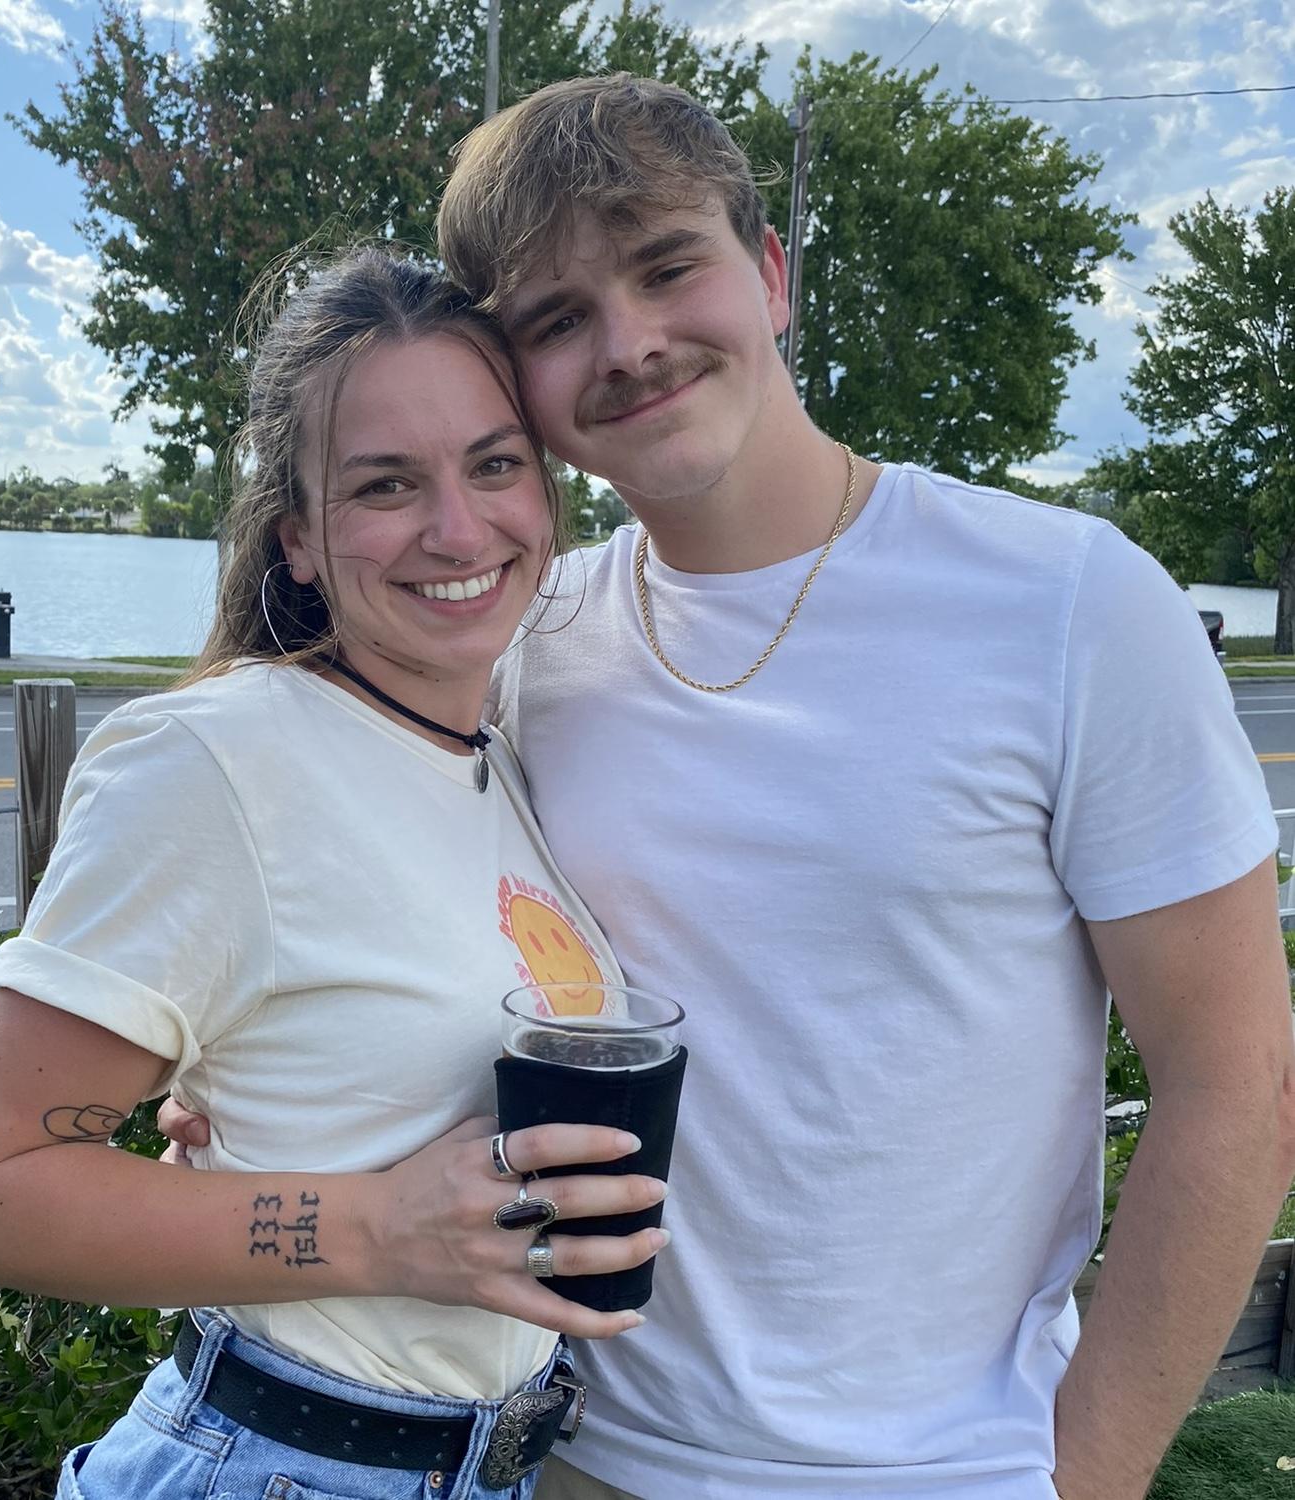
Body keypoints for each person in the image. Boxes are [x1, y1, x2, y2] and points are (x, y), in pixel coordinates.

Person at [155, 74, 1295, 1500]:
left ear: (770, 273)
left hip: (937, 1474)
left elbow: (1237, 1084)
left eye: (665, 266)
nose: (628, 344)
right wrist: (272, 1110)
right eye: (556, 319)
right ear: (520, 382)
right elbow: (389, 931)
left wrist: (1093, 1475)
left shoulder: (1069, 607)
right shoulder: (517, 635)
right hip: (560, 1452)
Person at [0, 248, 672, 1500]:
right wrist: (373, 1228)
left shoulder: (493, 757)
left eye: (495, 464)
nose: (458, 528)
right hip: (287, 1463)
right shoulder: (217, 761)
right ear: (299, 540)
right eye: (385, 484)